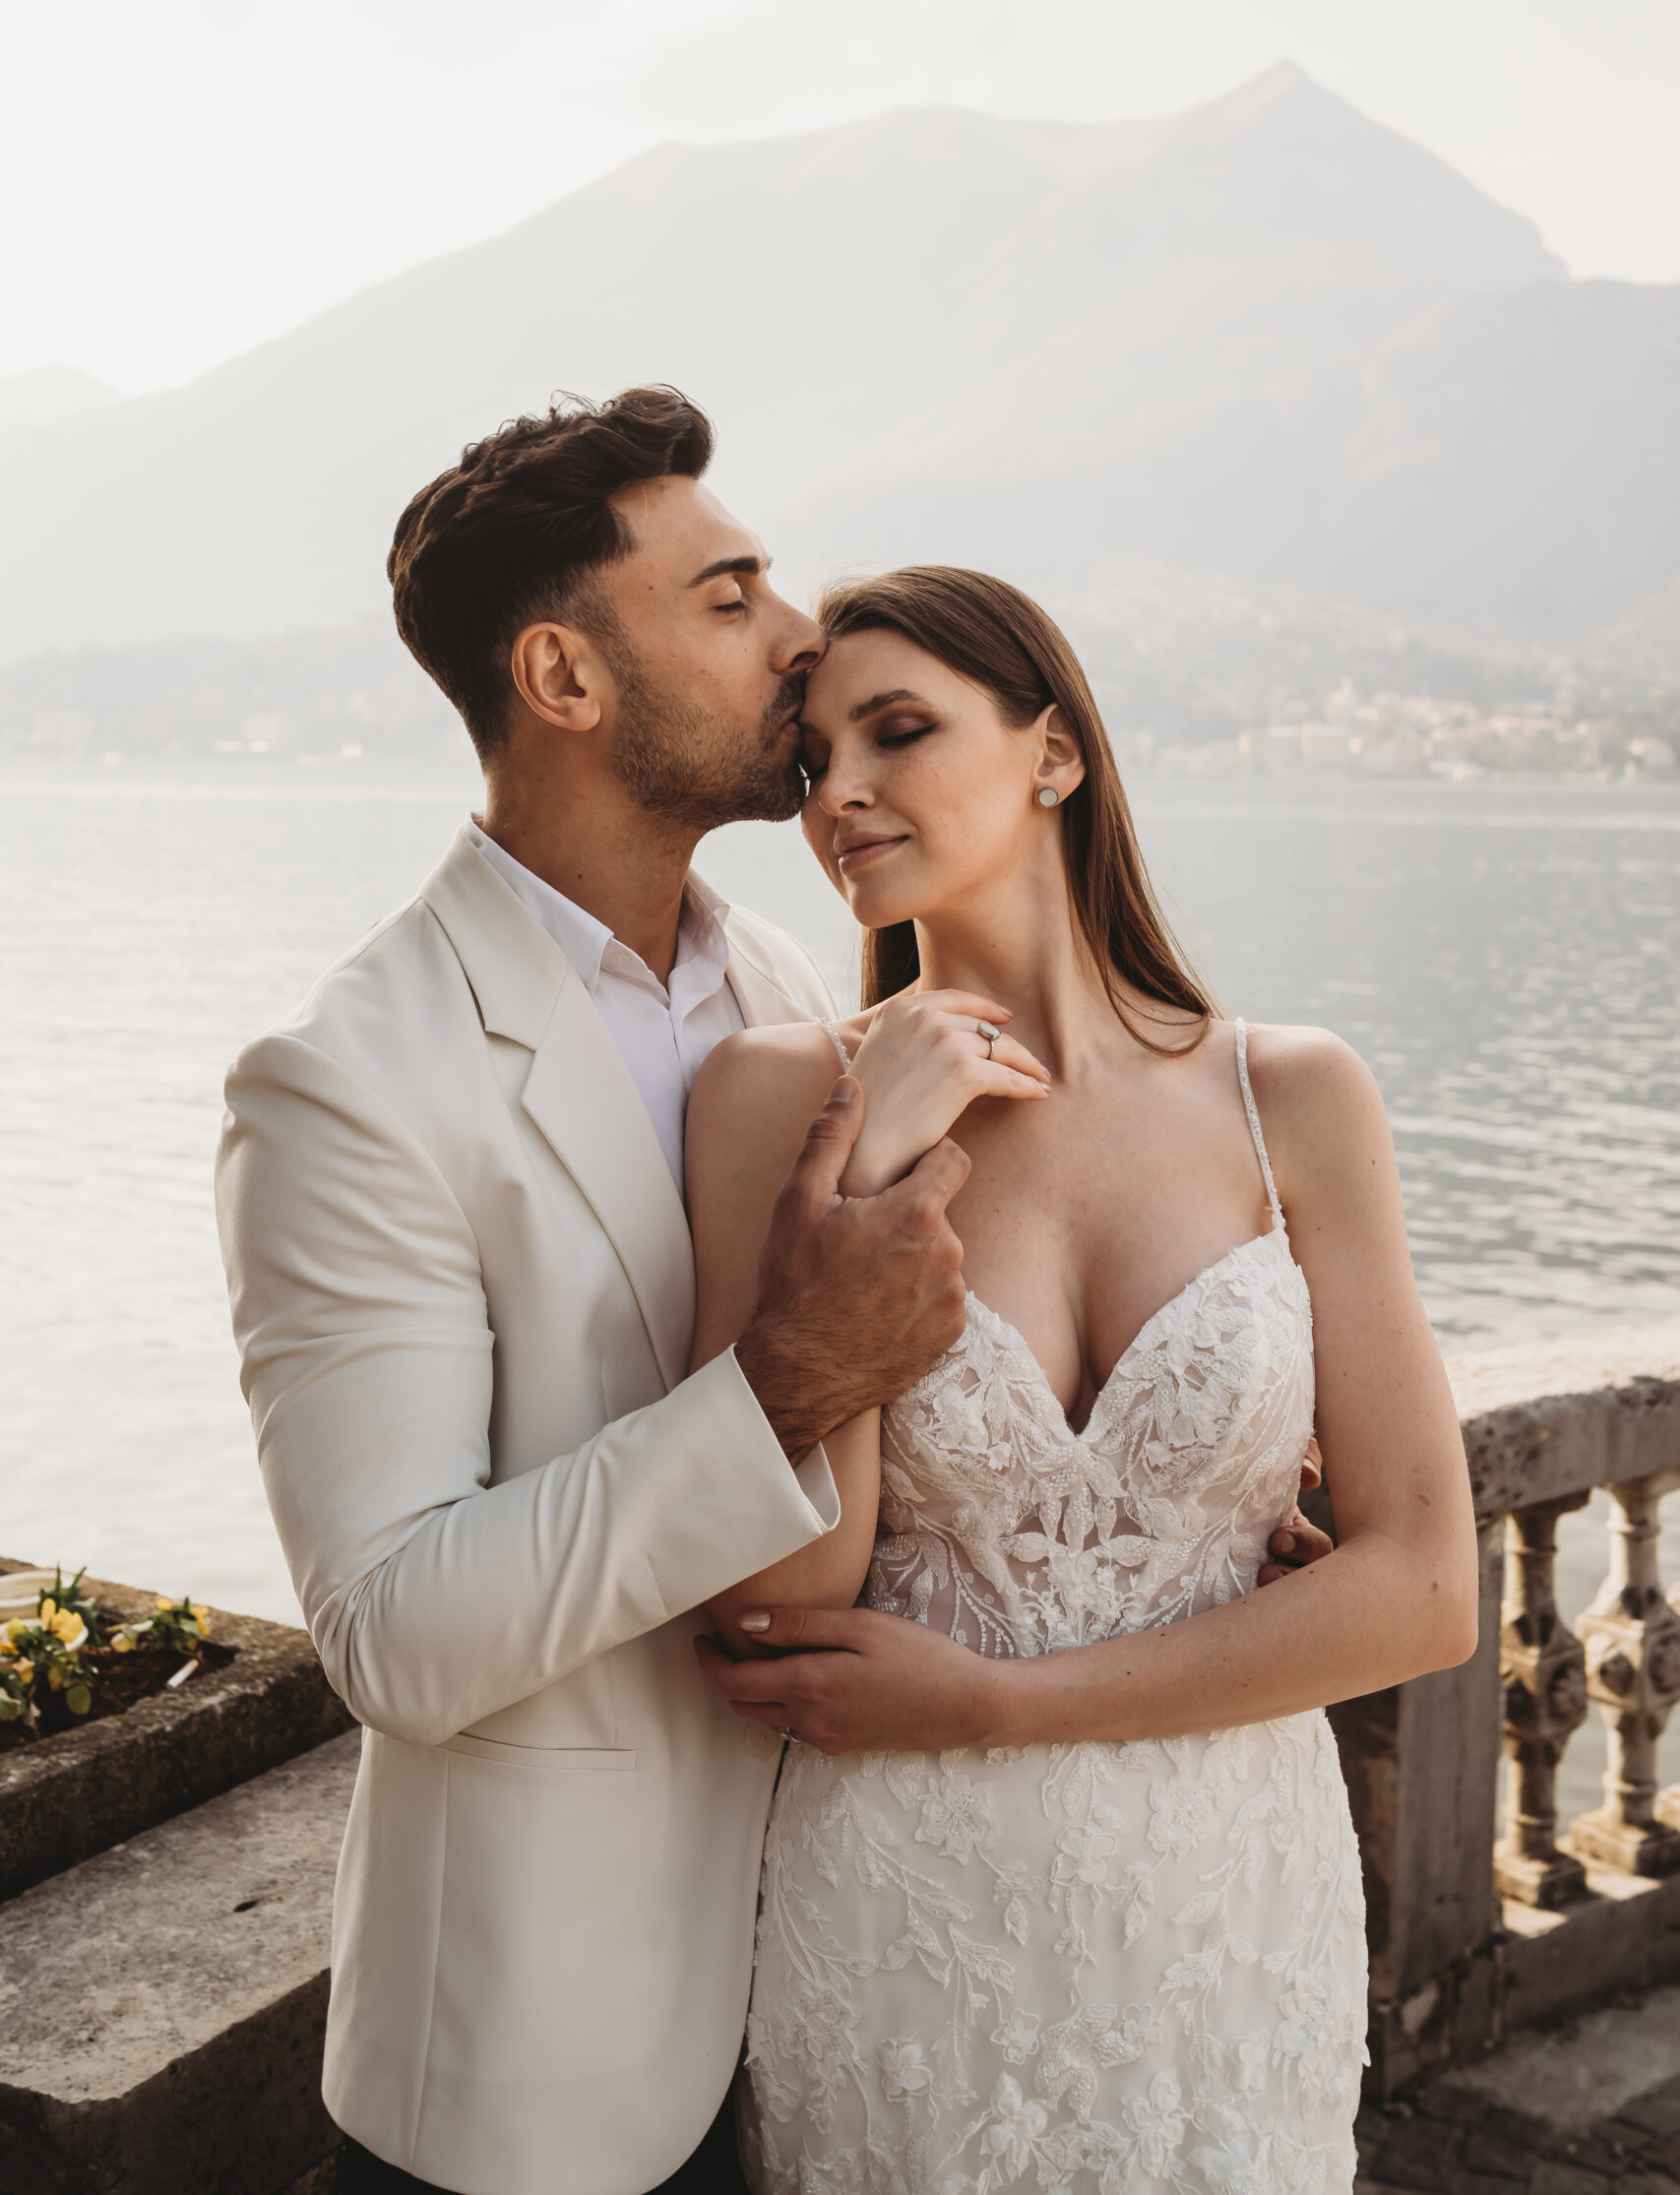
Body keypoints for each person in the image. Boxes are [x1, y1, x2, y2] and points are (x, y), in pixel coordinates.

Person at [216, 390, 1333, 2195]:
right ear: (567, 680)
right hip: (548, 2076)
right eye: (729, 596)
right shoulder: (350, 1080)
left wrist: (1171, 1519)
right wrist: (781, 1381)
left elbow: (903, 1474)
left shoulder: (796, 994)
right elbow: (399, 1637)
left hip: (868, 1970)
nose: (798, 633)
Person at [683, 567, 1480, 2194]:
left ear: (1055, 754)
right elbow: (775, 1606)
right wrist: (864, 1178)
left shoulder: (1295, 1098)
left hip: (1232, 1907)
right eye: (813, 758)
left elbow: (1424, 1589)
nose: (840, 794)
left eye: (898, 732)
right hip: (910, 1918)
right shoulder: (777, 1100)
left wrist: (997, 1704)